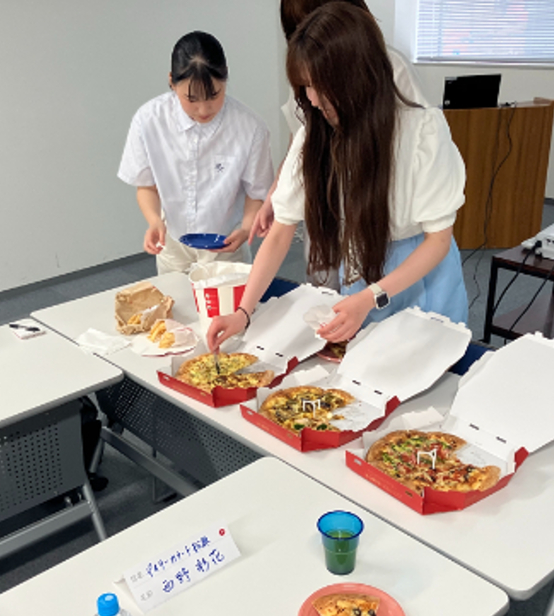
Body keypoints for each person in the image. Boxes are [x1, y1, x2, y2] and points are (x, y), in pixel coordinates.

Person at [207, 3, 468, 352]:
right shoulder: (315, 133)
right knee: (363, 363)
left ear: (356, 76)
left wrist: (371, 297)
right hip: (363, 261)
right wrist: (243, 312)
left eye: (319, 86)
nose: (312, 100)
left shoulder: (423, 131)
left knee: (426, 365)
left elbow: (437, 241)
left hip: (421, 271)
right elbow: (280, 233)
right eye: (305, 86)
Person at [251, 0, 432, 288]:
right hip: (326, 206)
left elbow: (416, 149)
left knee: (377, 291)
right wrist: (277, 192)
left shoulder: (390, 68)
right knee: (325, 291)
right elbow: (299, 140)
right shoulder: (307, 74)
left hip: (377, 215)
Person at [118, 31, 274, 274]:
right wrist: (154, 221)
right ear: (172, 82)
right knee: (174, 297)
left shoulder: (250, 128)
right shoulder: (148, 121)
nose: (203, 109)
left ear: (226, 77)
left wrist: (245, 228)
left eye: (214, 95)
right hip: (172, 242)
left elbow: (258, 193)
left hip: (226, 244)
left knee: (228, 298)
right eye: (191, 98)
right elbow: (146, 187)